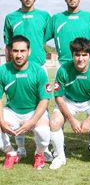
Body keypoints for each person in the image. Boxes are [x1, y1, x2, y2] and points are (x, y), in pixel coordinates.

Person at [45, 0, 90, 159]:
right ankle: (59, 144)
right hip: (65, 67)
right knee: (61, 106)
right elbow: (44, 37)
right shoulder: (56, 19)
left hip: (84, 65)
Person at [3, 0, 52, 161]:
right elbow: (8, 46)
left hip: (38, 67)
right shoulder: (10, 18)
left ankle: (45, 147)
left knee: (41, 104)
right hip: (15, 68)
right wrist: (9, 68)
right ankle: (20, 147)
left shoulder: (44, 16)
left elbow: (44, 38)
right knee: (16, 104)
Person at [49, 38, 90, 169]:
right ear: (72, 55)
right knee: (54, 122)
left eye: (84, 55)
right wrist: (72, 120)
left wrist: (89, 120)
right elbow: (58, 97)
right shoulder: (63, 70)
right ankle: (60, 156)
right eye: (77, 55)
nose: (80, 59)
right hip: (69, 100)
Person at [0, 35, 52, 169]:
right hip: (12, 111)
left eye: (22, 51)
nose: (18, 55)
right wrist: (2, 121)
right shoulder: (2, 70)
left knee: (43, 132)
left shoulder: (39, 71)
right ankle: (11, 153)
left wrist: (32, 121)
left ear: (29, 52)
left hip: (34, 111)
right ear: (10, 52)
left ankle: (39, 154)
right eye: (15, 51)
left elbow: (44, 100)